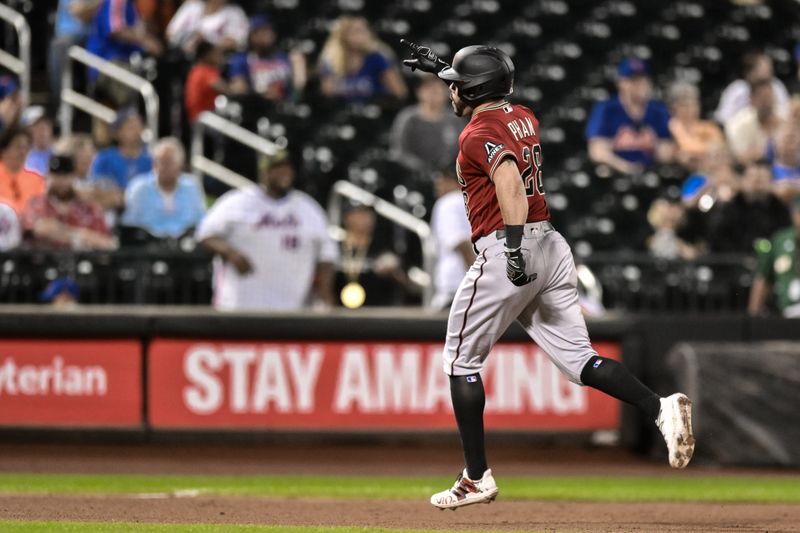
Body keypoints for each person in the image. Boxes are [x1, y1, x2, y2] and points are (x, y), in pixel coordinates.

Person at [402, 41, 695, 510]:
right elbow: (487, 102)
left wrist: (513, 250)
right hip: (553, 247)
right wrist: (444, 69)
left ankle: (476, 476)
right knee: (580, 361)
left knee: (461, 362)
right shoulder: (523, 115)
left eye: (458, 86)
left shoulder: (476, 135)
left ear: (473, 90)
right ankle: (658, 407)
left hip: (509, 244)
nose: (452, 93)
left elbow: (509, 185)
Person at [196, 150, 337, 311]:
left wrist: (324, 294)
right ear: (265, 172)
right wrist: (230, 252)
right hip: (238, 307)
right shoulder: (238, 201)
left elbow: (327, 255)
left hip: (293, 309)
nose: (284, 173)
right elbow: (205, 234)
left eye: (287, 168)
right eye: (277, 168)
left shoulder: (308, 208)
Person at [585, 58, 673, 175]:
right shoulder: (606, 109)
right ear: (620, 82)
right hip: (614, 173)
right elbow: (596, 151)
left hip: (652, 173)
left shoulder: (658, 110)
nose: (640, 85)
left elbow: (667, 149)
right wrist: (625, 167)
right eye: (633, 81)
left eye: (643, 80)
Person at [21, 152, 114, 250]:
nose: (61, 181)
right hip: (44, 260)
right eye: (56, 175)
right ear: (48, 176)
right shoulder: (37, 204)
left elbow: (107, 243)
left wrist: (62, 232)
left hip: (81, 261)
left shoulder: (88, 207)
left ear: (73, 176)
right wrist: (81, 236)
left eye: (65, 176)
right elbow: (40, 229)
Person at [335, 204, 417, 308]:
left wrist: (393, 271)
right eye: (360, 213)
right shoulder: (334, 247)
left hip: (377, 313)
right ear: (347, 217)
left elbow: (408, 285)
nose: (366, 218)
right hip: (339, 311)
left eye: (369, 213)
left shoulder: (385, 247)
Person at [121, 137, 205, 238]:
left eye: (169, 162)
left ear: (180, 165)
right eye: (161, 162)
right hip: (147, 248)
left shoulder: (192, 187)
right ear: (154, 164)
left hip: (185, 247)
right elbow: (129, 225)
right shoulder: (139, 187)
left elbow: (201, 223)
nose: (164, 167)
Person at [86, 0, 163, 104]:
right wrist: (146, 42)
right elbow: (116, 30)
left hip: (122, 61)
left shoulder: (132, 4)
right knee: (130, 109)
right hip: (107, 62)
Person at [705, 160, 790, 254]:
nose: (757, 185)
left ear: (771, 182)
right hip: (734, 262)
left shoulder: (780, 210)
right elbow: (716, 240)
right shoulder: (729, 209)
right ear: (743, 181)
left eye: (762, 179)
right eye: (752, 178)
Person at [318, 16, 407, 104]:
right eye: (356, 31)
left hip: (373, 111)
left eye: (364, 31)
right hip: (342, 113)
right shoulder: (331, 60)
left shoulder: (377, 58)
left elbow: (400, 92)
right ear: (343, 35)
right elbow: (327, 96)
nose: (361, 36)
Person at [390, 76, 465, 175]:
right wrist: (422, 169)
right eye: (428, 88)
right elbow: (398, 151)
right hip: (413, 175)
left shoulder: (455, 120)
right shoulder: (408, 118)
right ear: (419, 92)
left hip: (449, 175)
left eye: (438, 88)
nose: (433, 93)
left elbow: (465, 150)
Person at [227, 15, 307, 103]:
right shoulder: (242, 59)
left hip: (283, 107)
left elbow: (297, 89)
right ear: (252, 36)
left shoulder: (285, 58)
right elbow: (238, 86)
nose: (268, 35)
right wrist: (259, 94)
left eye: (269, 30)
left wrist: (299, 82)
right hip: (254, 105)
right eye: (262, 32)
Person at [88, 109, 153, 210]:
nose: (136, 131)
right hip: (112, 209)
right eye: (130, 127)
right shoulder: (104, 158)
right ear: (118, 132)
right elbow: (95, 187)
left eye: (138, 126)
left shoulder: (150, 160)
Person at [749, 196, 800, 318]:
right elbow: (763, 277)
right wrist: (753, 315)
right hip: (788, 312)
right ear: (793, 215)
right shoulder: (780, 240)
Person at [430, 169, 473, 309]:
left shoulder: (449, 203)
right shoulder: (475, 200)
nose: (437, 187)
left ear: (451, 181)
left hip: (459, 287)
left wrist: (476, 280)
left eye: (440, 182)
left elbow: (461, 243)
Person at [714, 51, 791, 125]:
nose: (768, 71)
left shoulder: (776, 86)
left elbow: (786, 113)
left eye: (770, 67)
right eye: (763, 68)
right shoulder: (737, 89)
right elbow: (723, 118)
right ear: (749, 72)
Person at [48, 0, 103, 103]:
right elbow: (79, 12)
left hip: (94, 37)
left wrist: (92, 8)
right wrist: (99, 4)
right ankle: (60, 104)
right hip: (68, 37)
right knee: (60, 45)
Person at [724, 80, 785, 165]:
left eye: (769, 98)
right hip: (752, 170)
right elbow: (740, 157)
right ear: (752, 100)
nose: (767, 104)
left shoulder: (785, 119)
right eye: (763, 99)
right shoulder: (738, 124)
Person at [667, 81, 723, 172]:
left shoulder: (709, 127)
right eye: (684, 105)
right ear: (674, 107)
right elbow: (686, 148)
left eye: (693, 104)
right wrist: (705, 152)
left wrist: (696, 155)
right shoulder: (672, 126)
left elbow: (719, 150)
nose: (689, 109)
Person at [166, 0, 249, 55]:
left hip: (214, 60)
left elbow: (234, 41)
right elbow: (170, 32)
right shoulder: (192, 6)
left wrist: (206, 40)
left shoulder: (235, 12)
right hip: (182, 54)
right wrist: (190, 38)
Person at [0, 128, 46, 215]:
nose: (22, 152)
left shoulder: (36, 178)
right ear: (4, 150)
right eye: (18, 147)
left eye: (26, 148)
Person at [185, 40, 227, 123]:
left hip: (198, 117)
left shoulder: (196, 70)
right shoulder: (205, 71)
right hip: (203, 117)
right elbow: (224, 89)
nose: (219, 57)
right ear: (207, 55)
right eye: (216, 54)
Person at [21, 106, 54, 177]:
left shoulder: (58, 153)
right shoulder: (22, 156)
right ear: (28, 130)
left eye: (46, 125)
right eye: (37, 126)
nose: (43, 131)